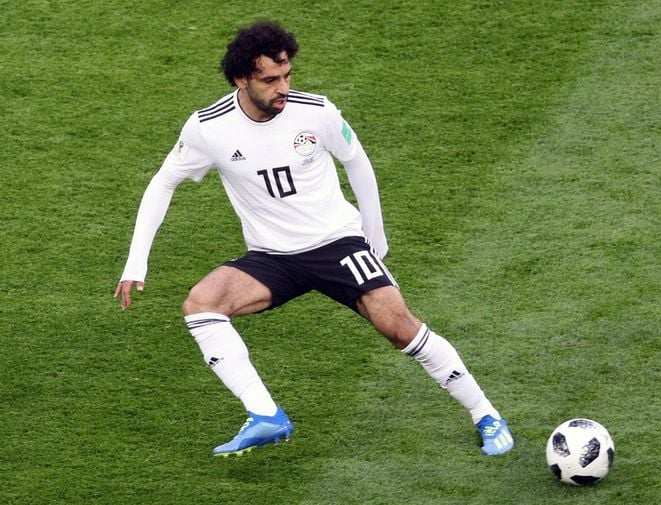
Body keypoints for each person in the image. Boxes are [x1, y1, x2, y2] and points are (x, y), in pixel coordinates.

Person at [114, 20, 513, 458]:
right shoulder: (209, 128)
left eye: (286, 75)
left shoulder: (316, 112)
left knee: (399, 328)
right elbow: (162, 183)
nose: (282, 87)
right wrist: (137, 263)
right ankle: (266, 415)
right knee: (201, 303)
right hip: (271, 257)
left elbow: (357, 162)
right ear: (240, 79)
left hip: (336, 244)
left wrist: (373, 237)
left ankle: (485, 414)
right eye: (270, 80)